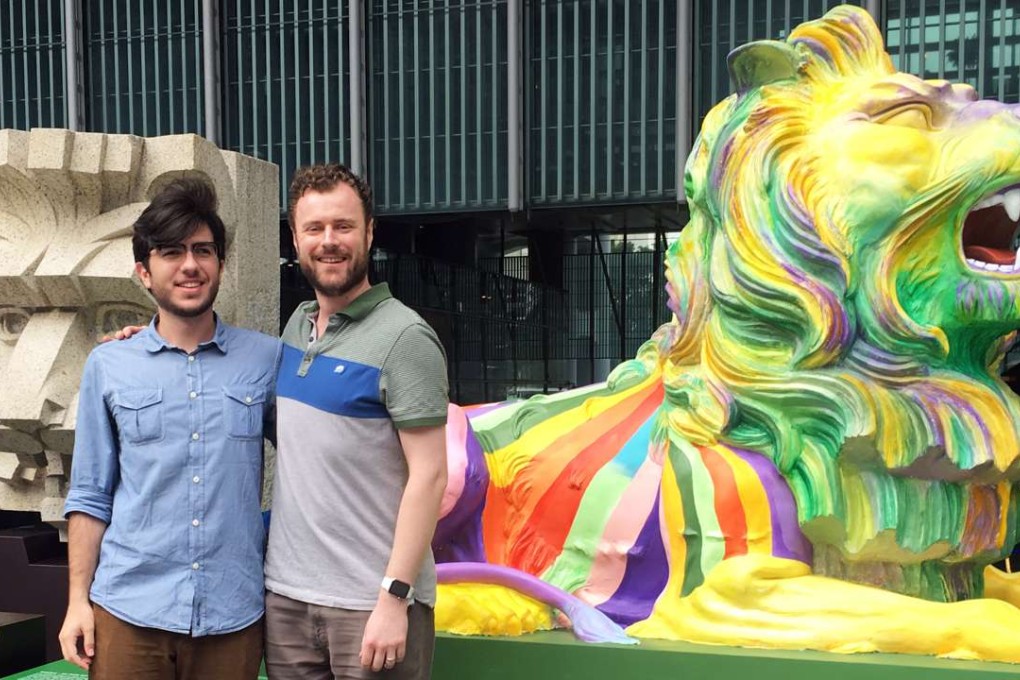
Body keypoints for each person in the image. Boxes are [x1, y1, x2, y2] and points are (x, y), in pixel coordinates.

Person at [58, 177, 280, 679]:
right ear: (144, 271)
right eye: (171, 251)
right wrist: (77, 602)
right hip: (128, 609)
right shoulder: (110, 365)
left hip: (233, 613)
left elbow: (314, 456)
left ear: (221, 264)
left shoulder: (266, 359)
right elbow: (90, 494)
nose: (190, 265)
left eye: (203, 250)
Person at [264, 163, 449, 679]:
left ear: (369, 232)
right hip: (287, 600)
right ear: (295, 239)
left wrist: (395, 597)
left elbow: (430, 475)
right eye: (314, 229)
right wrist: (145, 338)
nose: (329, 241)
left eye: (343, 226)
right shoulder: (296, 328)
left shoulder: (406, 337)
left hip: (372, 605)